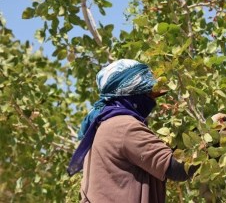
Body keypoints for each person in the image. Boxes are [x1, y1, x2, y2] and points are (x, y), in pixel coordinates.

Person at [67, 59, 198, 203]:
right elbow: (176, 169)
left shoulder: (103, 126)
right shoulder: (123, 126)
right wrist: (212, 136)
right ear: (133, 94)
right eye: (148, 94)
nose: (153, 102)